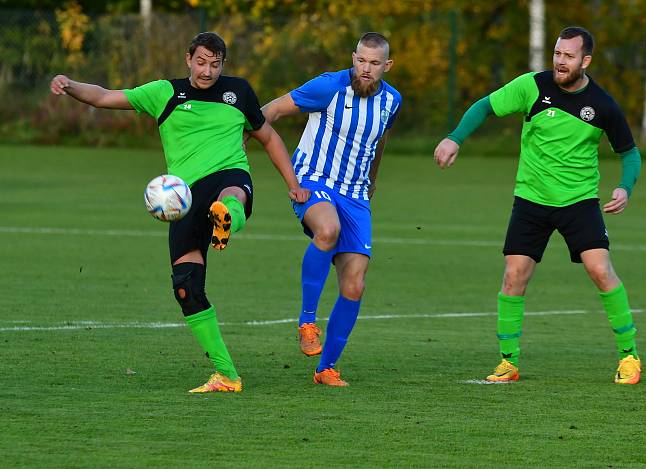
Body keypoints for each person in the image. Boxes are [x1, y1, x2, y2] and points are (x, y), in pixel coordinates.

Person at [50, 32, 309, 393]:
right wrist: (70, 84)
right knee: (187, 288)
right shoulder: (164, 93)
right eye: (201, 62)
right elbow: (106, 97)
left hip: (228, 174)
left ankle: (227, 217)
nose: (207, 71)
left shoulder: (239, 92)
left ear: (224, 64)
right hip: (184, 196)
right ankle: (227, 375)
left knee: (233, 191)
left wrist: (292, 183)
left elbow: (268, 138)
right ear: (188, 58)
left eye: (215, 64)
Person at [434, 26, 643, 384]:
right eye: (557, 54)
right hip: (531, 199)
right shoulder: (532, 86)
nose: (560, 62)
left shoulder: (603, 105)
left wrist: (624, 187)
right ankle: (508, 362)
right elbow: (484, 106)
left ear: (585, 60)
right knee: (514, 276)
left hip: (579, 202)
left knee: (600, 271)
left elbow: (630, 153)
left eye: (569, 56)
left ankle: (630, 356)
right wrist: (455, 138)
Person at [260, 32, 401, 386]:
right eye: (360, 60)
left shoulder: (392, 101)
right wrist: (234, 145)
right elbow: (272, 110)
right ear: (353, 57)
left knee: (354, 285)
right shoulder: (329, 87)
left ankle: (326, 369)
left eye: (373, 63)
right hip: (314, 180)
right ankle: (307, 321)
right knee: (328, 230)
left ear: (387, 65)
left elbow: (380, 139)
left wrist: (373, 180)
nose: (365, 69)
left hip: (355, 195)